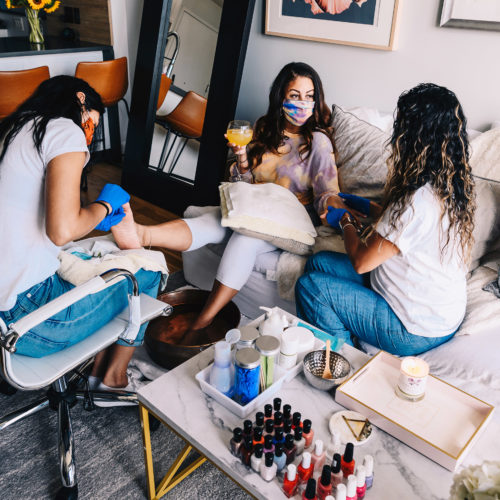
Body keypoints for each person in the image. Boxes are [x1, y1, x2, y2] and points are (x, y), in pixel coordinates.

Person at [112, 62, 352, 330]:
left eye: (309, 96)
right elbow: (245, 185)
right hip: (256, 209)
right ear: (281, 97)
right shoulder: (264, 128)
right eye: (295, 96)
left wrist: (336, 207)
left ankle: (202, 320)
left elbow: (326, 193)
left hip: (293, 222)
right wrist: (241, 157)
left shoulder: (317, 142)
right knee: (216, 219)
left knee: (245, 237)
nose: (303, 104)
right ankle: (142, 235)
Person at [0, 75, 161, 392]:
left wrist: (90, 217)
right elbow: (62, 231)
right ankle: (113, 379)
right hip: (27, 320)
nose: (88, 138)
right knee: (149, 271)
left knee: (89, 255)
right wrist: (103, 205)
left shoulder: (14, 127)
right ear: (80, 100)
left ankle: (96, 366)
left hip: (6, 303)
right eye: (91, 126)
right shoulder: (62, 128)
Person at [295, 83, 476, 356]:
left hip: (412, 328)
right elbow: (407, 228)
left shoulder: (415, 202)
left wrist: (345, 220)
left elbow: (360, 261)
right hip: (438, 313)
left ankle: (346, 360)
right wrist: (365, 206)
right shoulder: (449, 186)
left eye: (400, 126)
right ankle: (345, 326)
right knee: (318, 262)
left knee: (310, 287)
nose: (396, 134)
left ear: (414, 136)